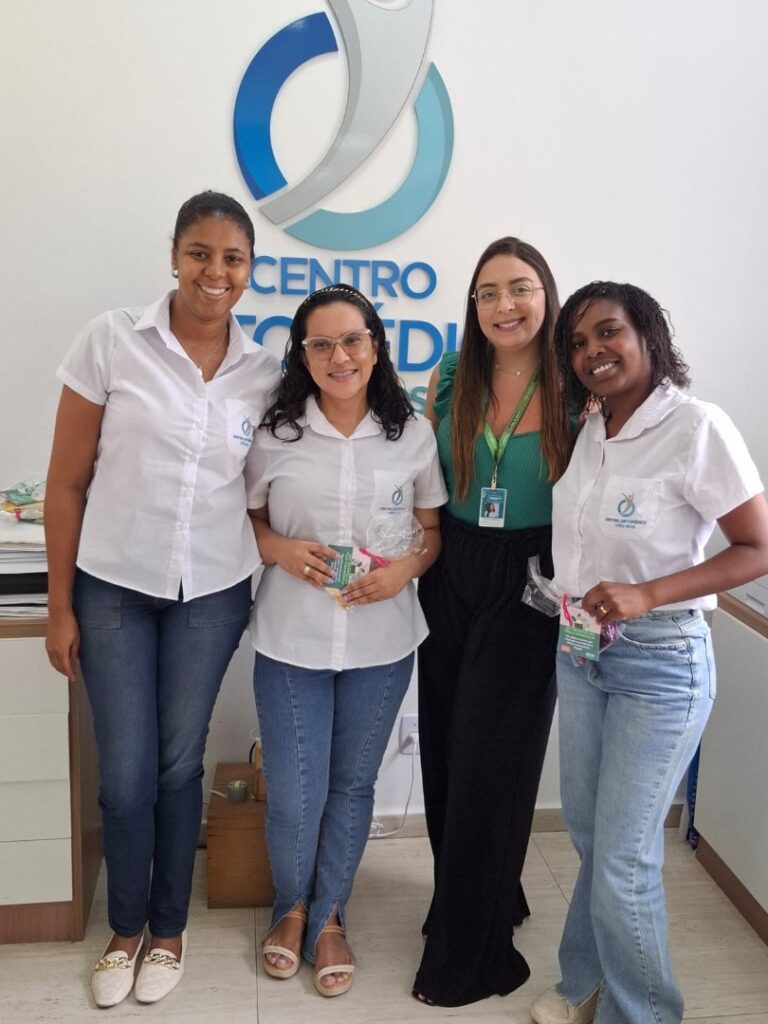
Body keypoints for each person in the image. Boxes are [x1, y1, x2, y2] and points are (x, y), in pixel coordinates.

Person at [44, 191, 280, 1008]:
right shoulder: (112, 341)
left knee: (179, 763)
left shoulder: (264, 373)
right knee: (125, 772)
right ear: (175, 257)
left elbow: (269, 489)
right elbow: (66, 484)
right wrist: (60, 605)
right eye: (200, 254)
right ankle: (124, 929)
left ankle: (169, 930)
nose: (216, 272)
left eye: (233, 259)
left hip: (210, 593)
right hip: (113, 586)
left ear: (249, 270)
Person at [530, 282, 768, 1024]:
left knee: (624, 858)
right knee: (592, 838)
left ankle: (644, 1015)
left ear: (647, 337)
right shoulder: (592, 427)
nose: (593, 352)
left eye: (609, 332)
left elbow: (757, 546)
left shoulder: (696, 427)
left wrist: (649, 592)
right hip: (581, 652)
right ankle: (585, 984)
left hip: (661, 663)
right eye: (577, 342)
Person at [247, 284, 447, 997]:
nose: (340, 356)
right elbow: (245, 518)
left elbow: (431, 530)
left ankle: (329, 913)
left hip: (382, 643)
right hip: (290, 638)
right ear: (303, 355)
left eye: (353, 340)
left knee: (353, 785)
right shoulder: (275, 433)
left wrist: (405, 572)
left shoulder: (411, 433)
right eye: (322, 344)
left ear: (376, 345)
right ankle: (290, 908)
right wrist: (278, 548)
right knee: (294, 791)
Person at [414, 238, 573, 1006]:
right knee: (446, 751)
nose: (504, 305)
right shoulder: (452, 375)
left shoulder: (576, 384)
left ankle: (470, 955)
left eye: (520, 288)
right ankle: (476, 897)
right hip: (450, 566)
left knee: (491, 764)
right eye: (488, 292)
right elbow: (423, 476)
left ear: (547, 294)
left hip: (530, 576)